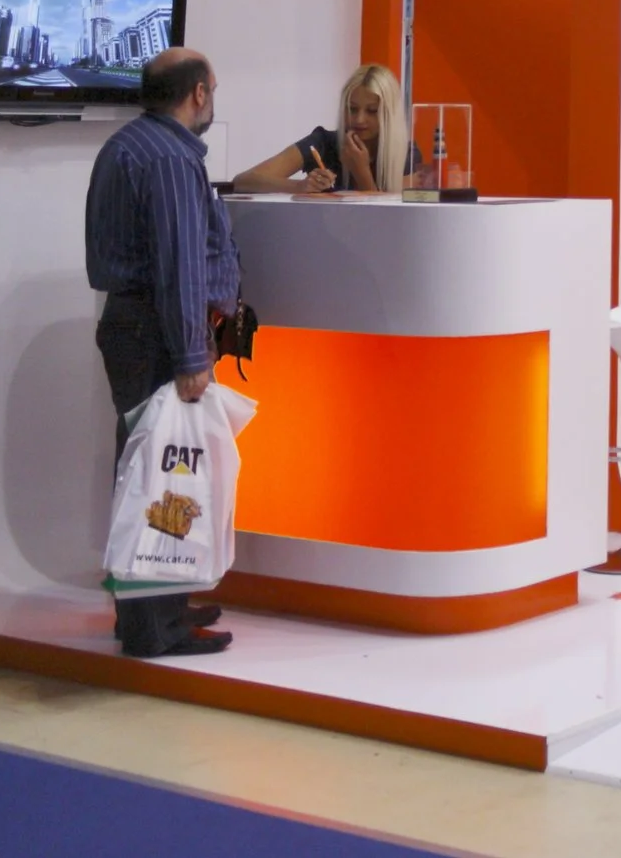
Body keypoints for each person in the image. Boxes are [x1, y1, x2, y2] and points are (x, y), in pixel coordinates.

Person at [85, 48, 242, 657]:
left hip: (132, 326)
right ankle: (157, 626)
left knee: (147, 470)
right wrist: (191, 357)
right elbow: (179, 267)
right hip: (157, 332)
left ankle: (156, 606)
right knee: (161, 476)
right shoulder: (173, 159)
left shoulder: (127, 146)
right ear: (198, 93)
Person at [233, 64, 411, 194]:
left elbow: (381, 222)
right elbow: (244, 181)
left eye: (372, 111)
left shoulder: (407, 155)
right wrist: (300, 187)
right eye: (352, 109)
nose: (359, 119)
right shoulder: (324, 142)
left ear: (389, 115)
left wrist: (361, 172)